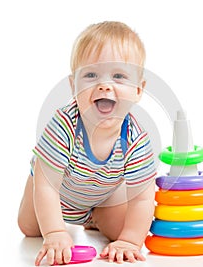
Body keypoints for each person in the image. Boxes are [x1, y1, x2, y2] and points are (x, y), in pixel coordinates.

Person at [18, 21, 157, 265]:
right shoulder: (64, 125)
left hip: (101, 196)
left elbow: (142, 198)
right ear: (74, 85)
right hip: (53, 188)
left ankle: (94, 218)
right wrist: (55, 233)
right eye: (91, 75)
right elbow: (48, 186)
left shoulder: (136, 140)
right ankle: (56, 223)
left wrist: (130, 241)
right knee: (30, 228)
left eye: (119, 76)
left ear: (138, 89)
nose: (105, 85)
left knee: (122, 229)